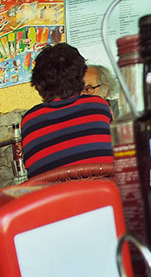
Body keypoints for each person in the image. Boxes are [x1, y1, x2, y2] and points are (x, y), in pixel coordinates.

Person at [19, 43, 114, 179]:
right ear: (80, 77)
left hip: (54, 200)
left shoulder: (29, 120)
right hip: (103, 196)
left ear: (38, 84)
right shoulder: (98, 106)